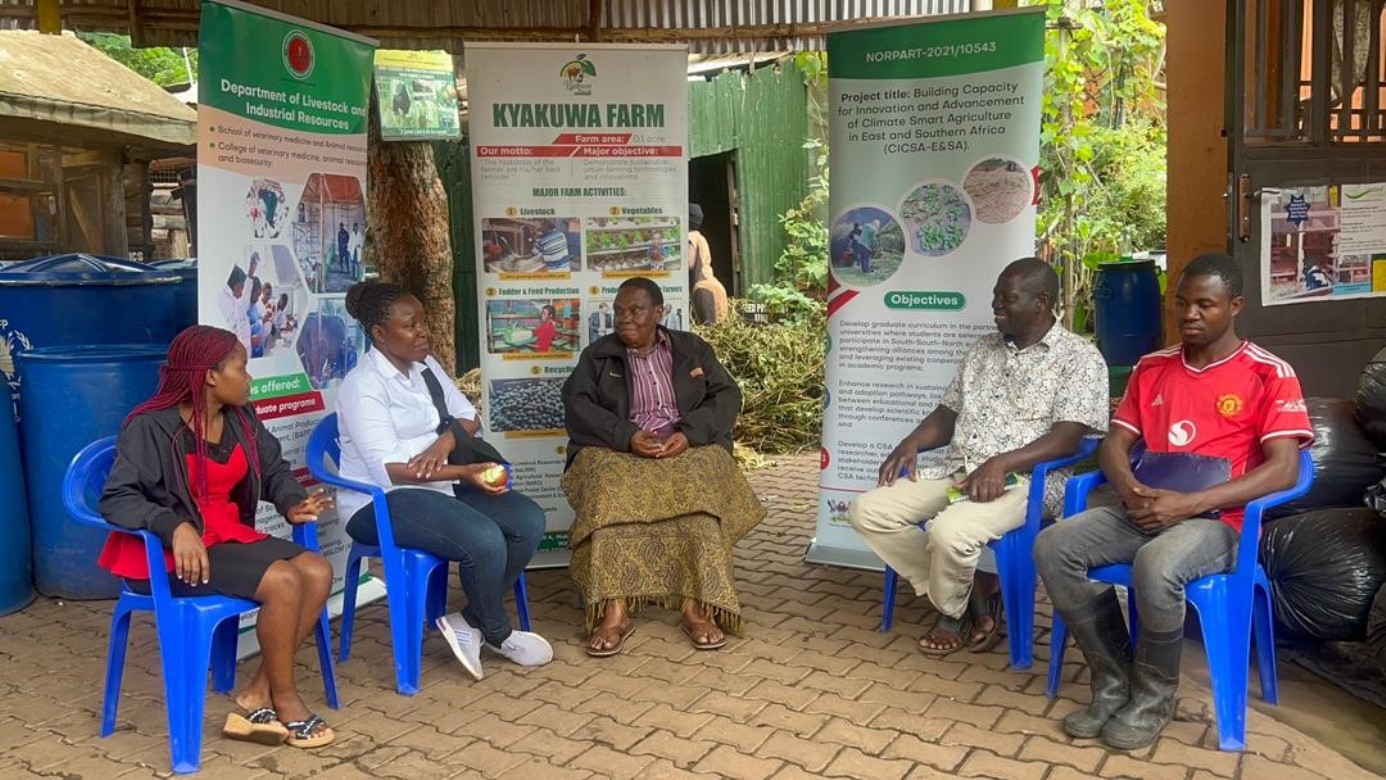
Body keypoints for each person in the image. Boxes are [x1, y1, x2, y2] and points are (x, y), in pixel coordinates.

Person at [1034, 252, 1313, 750]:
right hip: (1145, 508)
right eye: (1181, 303)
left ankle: (1153, 697)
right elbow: (1114, 444)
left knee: (1157, 564)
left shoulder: (1269, 373)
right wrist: (1129, 488)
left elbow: (1284, 469)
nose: (1189, 315)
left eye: (1205, 304)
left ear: (1235, 306)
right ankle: (1113, 679)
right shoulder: (1153, 367)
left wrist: (1187, 504)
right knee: (1054, 546)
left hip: (1219, 523)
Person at [848, 258, 1108, 655]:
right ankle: (972, 594)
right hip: (959, 469)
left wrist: (1002, 463)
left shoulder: (1079, 359)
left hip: (1026, 481)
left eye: (1007, 298)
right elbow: (947, 414)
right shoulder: (982, 349)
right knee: (867, 511)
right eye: (995, 296)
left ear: (1041, 302)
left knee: (948, 532)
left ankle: (951, 612)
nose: (996, 305)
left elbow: (1069, 438)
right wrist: (912, 442)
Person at [97, 325, 337, 748]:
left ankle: (256, 693)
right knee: (283, 582)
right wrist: (174, 526)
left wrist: (292, 502)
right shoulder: (150, 426)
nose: (249, 379)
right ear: (210, 375)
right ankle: (285, 700)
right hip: (169, 558)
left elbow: (275, 471)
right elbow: (116, 499)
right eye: (241, 369)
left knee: (316, 571)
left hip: (226, 537)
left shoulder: (242, 419)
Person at [336, 281, 552, 681]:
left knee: (527, 520)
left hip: (439, 485)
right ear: (380, 334)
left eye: (423, 322)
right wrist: (464, 470)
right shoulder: (362, 386)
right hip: (381, 501)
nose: (424, 332)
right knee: (484, 539)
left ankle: (467, 620)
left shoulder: (425, 366)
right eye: (411, 326)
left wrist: (446, 443)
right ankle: (498, 632)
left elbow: (470, 416)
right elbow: (393, 468)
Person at [562, 277, 766, 657]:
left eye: (636, 311)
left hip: (682, 443)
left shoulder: (691, 349)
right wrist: (626, 435)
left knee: (699, 499)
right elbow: (577, 405)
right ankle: (614, 611)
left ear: (659, 313)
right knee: (608, 499)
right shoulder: (598, 356)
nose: (625, 319)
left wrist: (690, 434)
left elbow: (727, 394)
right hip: (619, 449)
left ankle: (696, 607)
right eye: (619, 311)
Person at [688, 204, 728, 326]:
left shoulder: (692, 236)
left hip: (705, 288)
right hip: (709, 284)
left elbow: (689, 262)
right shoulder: (701, 237)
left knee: (708, 329)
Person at [220, 266, 251, 351]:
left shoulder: (232, 299)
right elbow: (234, 332)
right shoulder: (225, 301)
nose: (242, 292)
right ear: (237, 286)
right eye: (242, 288)